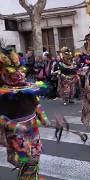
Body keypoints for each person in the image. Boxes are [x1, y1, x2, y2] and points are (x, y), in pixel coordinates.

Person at [0, 47, 49, 179]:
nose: (17, 74)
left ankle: (33, 177)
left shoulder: (27, 88)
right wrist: (15, 126)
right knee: (29, 160)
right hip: (17, 134)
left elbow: (36, 104)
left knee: (35, 157)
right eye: (11, 71)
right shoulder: (2, 93)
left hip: (33, 129)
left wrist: (44, 118)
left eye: (18, 69)